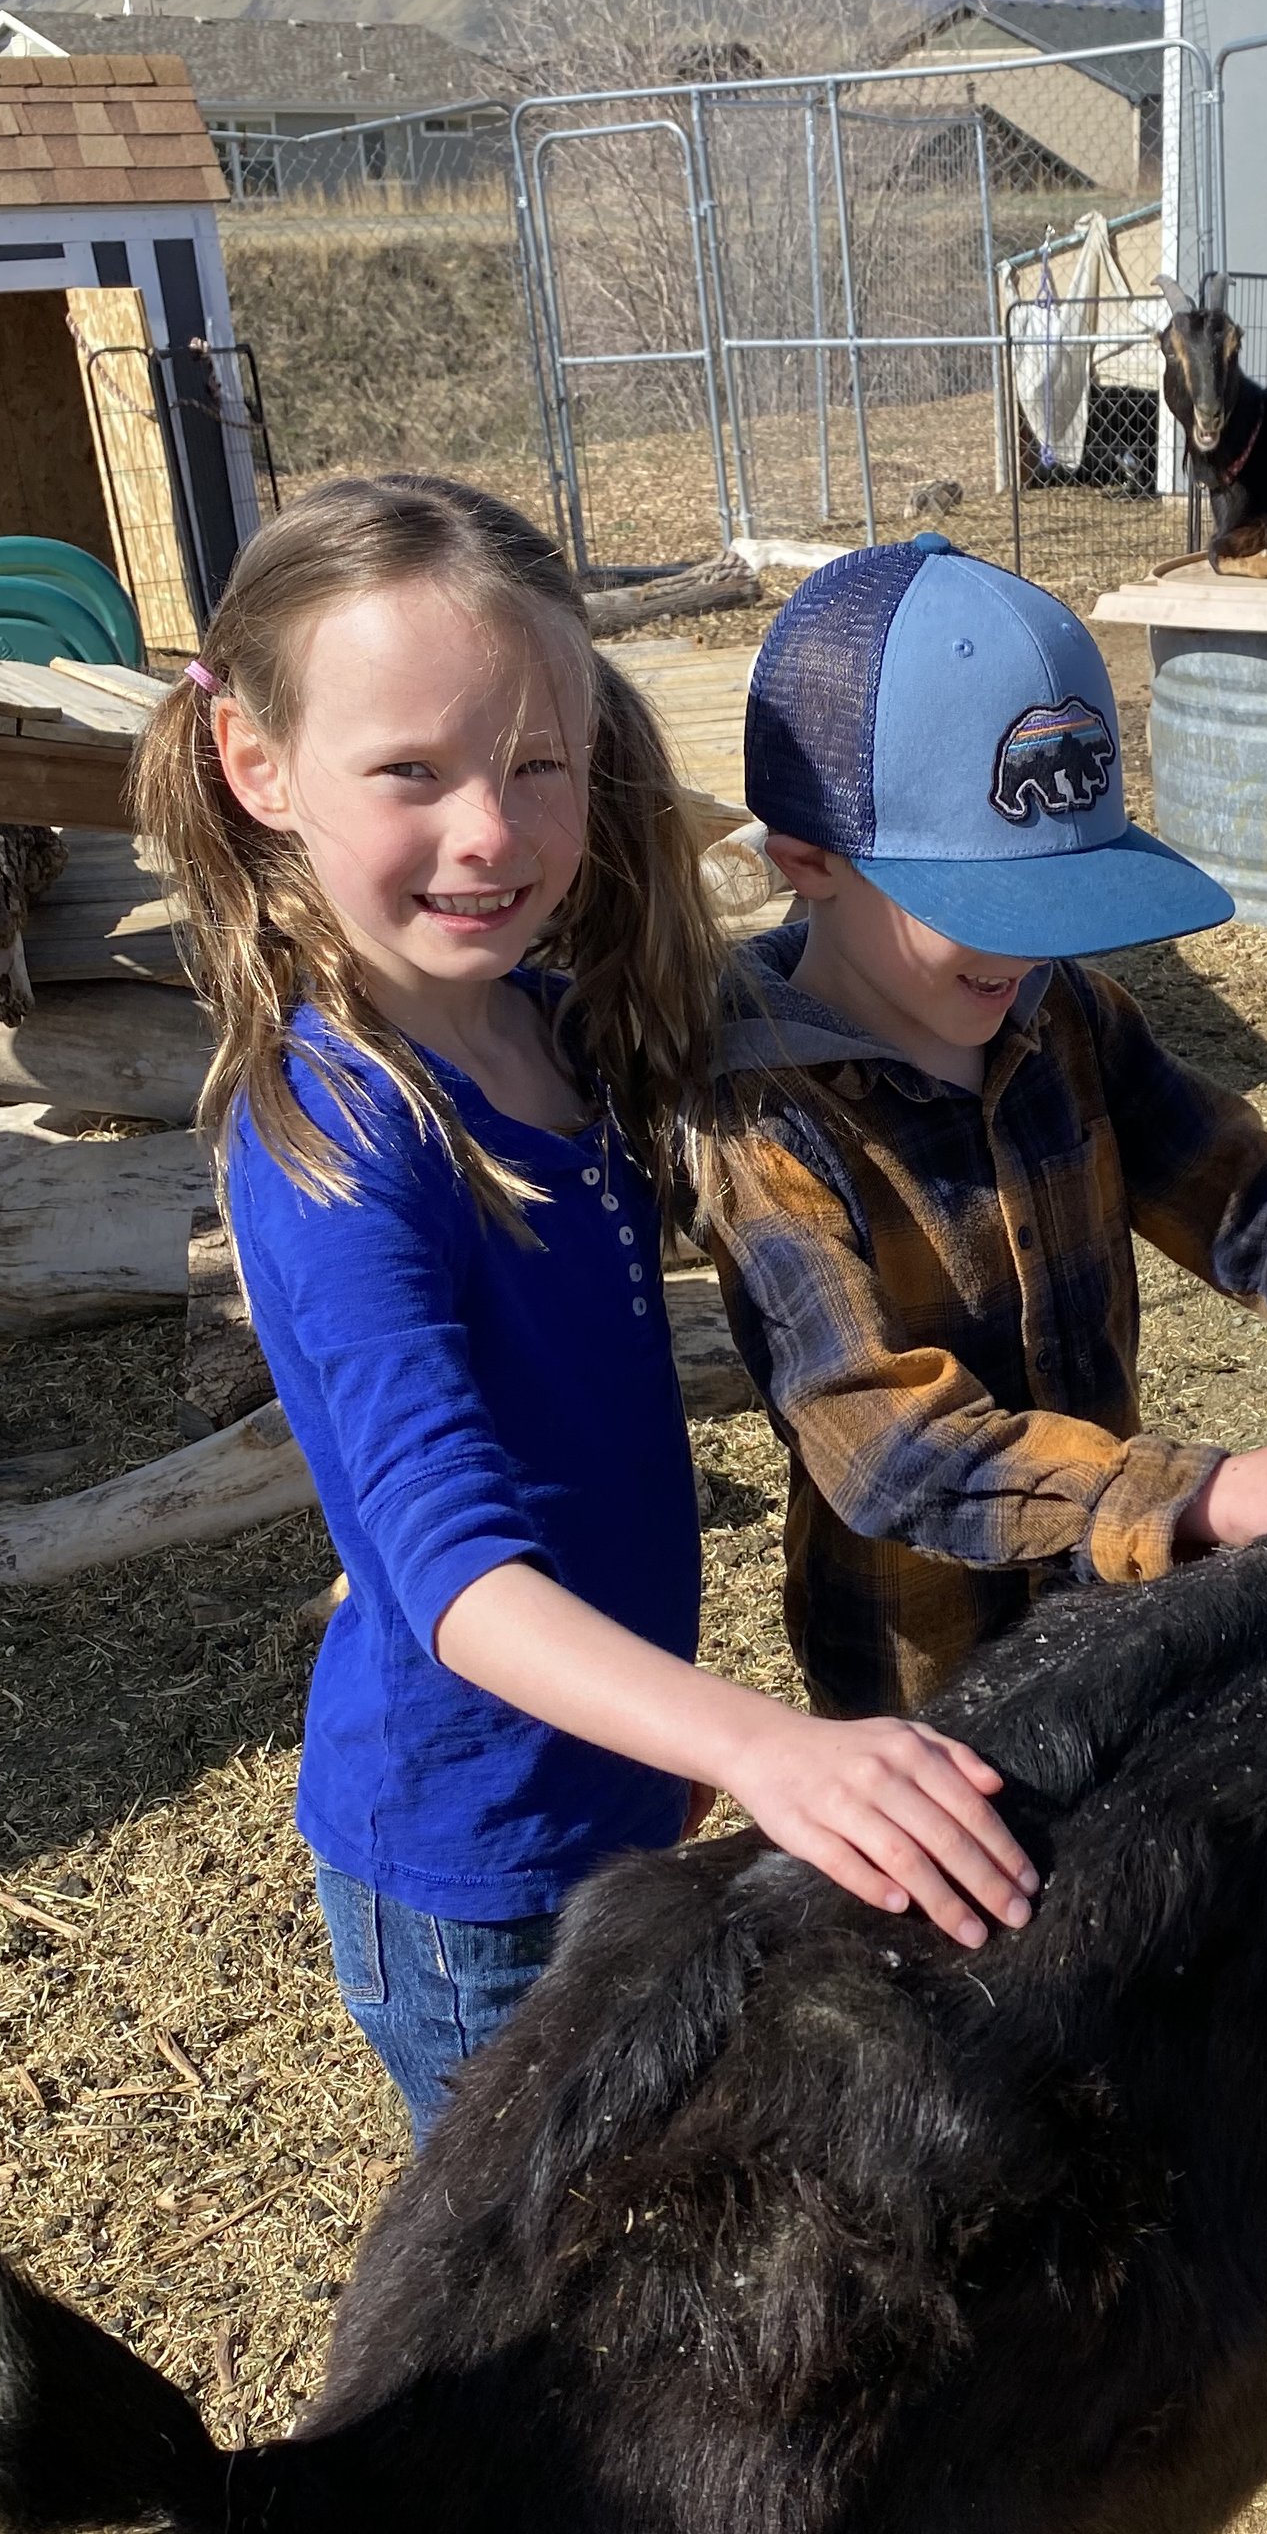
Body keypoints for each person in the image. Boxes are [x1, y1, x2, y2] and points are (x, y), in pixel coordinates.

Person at [135, 479, 1032, 2142]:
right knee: (541, 2286)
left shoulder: (546, 1022)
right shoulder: (335, 1133)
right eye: (410, 771)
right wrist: (770, 1744)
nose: (491, 830)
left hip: (600, 1779)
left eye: (534, 765)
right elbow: (456, 1572)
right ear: (259, 769)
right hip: (473, 1864)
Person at [701, 534, 1267, 1723]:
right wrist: (1202, 1498)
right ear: (807, 858)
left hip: (1102, 1620)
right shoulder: (760, 1115)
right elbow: (894, 1455)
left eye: (1060, 901)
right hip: (921, 1687)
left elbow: (1237, 1194)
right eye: (983, 906)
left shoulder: (1062, 1014)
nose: (1025, 953)